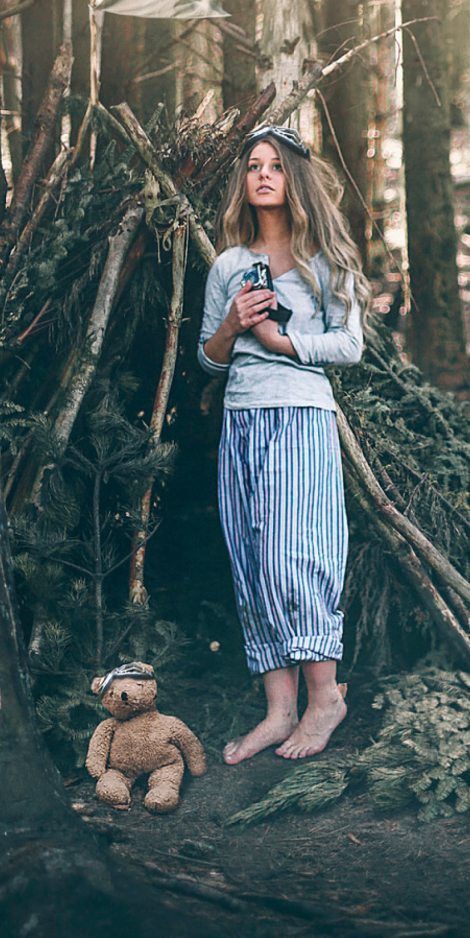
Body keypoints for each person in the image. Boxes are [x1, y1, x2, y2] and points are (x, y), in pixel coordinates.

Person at [198, 124, 369, 762]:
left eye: (274, 165)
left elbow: (350, 346)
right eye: (252, 166)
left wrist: (283, 343)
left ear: (294, 179)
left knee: (297, 559)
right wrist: (232, 325)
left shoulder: (329, 264)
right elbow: (209, 359)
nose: (262, 174)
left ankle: (326, 698)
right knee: (250, 559)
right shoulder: (228, 265)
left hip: (300, 417)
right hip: (241, 421)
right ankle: (279, 710)